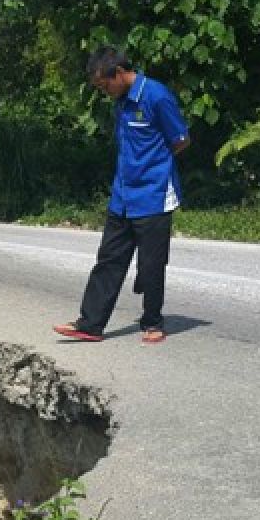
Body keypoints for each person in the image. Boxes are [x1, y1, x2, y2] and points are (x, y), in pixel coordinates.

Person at [54, 46, 190, 343]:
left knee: (151, 264)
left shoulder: (156, 95)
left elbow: (180, 140)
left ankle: (152, 323)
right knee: (109, 260)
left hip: (154, 193)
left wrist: (154, 164)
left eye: (105, 85)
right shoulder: (120, 102)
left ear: (118, 73)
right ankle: (90, 325)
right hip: (123, 194)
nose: (105, 92)